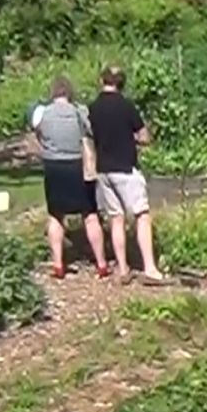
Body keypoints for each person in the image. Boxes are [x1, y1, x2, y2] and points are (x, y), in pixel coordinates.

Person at [89, 67, 162, 282]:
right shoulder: (126, 106)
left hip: (103, 169)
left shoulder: (92, 108)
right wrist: (135, 138)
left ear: (102, 80)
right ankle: (149, 267)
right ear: (122, 83)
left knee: (116, 218)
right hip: (125, 167)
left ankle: (123, 268)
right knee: (142, 215)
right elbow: (145, 136)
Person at [31, 77, 108, 279]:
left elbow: (36, 131)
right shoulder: (79, 111)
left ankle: (58, 263)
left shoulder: (42, 113)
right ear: (69, 93)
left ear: (52, 93)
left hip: (53, 166)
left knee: (56, 215)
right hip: (76, 165)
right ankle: (101, 263)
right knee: (90, 215)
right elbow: (90, 131)